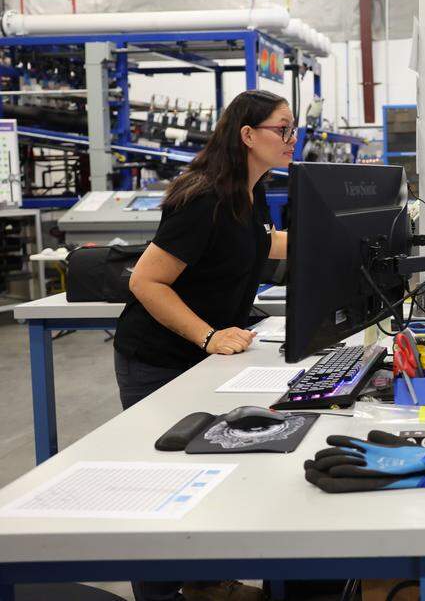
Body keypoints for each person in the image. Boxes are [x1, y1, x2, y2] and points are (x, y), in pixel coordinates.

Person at [113, 90, 295, 601]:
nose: (291, 138)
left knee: (211, 467)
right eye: (282, 128)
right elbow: (146, 282)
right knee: (166, 480)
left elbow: (263, 242)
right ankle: (161, 594)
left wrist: (335, 235)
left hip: (208, 354)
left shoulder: (249, 190)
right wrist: (209, 335)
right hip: (161, 357)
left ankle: (204, 583)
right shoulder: (204, 197)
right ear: (247, 135)